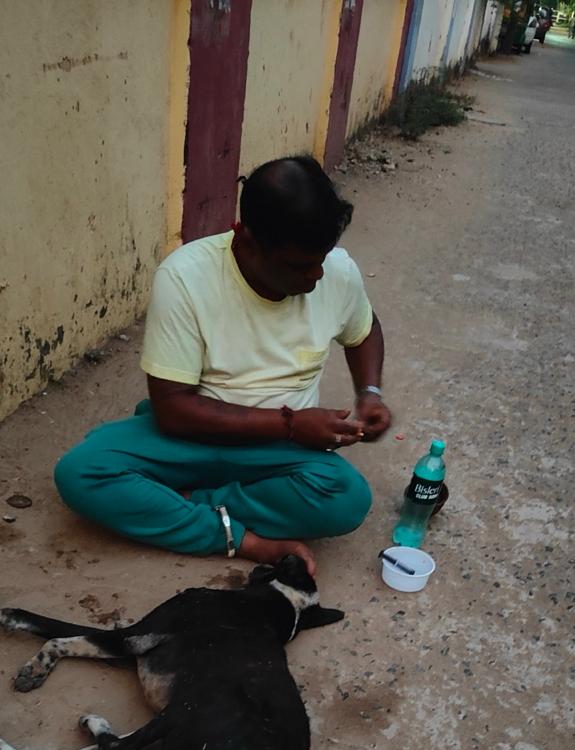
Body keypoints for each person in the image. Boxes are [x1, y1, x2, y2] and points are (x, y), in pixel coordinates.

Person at [54, 155, 391, 575]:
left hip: (283, 453)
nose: (317, 275)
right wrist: (291, 424)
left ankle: (181, 502)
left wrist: (370, 393)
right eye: (299, 265)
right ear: (245, 241)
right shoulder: (185, 277)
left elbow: (364, 329)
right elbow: (173, 409)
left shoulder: (336, 271)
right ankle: (239, 537)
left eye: (321, 258)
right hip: (194, 435)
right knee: (82, 472)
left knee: (346, 498)